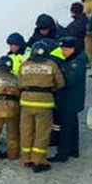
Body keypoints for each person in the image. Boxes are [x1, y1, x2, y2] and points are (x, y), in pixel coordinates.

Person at [18, 40, 64, 173]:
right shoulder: (52, 65)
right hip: (44, 103)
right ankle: (38, 162)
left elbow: (19, 84)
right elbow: (60, 83)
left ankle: (26, 159)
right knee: (42, 133)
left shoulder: (25, 65)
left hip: (26, 102)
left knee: (26, 131)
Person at [50, 35, 86, 161]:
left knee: (66, 127)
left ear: (72, 49)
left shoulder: (78, 62)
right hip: (70, 99)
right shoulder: (74, 58)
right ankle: (73, 149)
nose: (63, 52)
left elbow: (70, 80)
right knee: (72, 125)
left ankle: (63, 154)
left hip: (70, 100)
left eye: (65, 50)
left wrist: (60, 68)